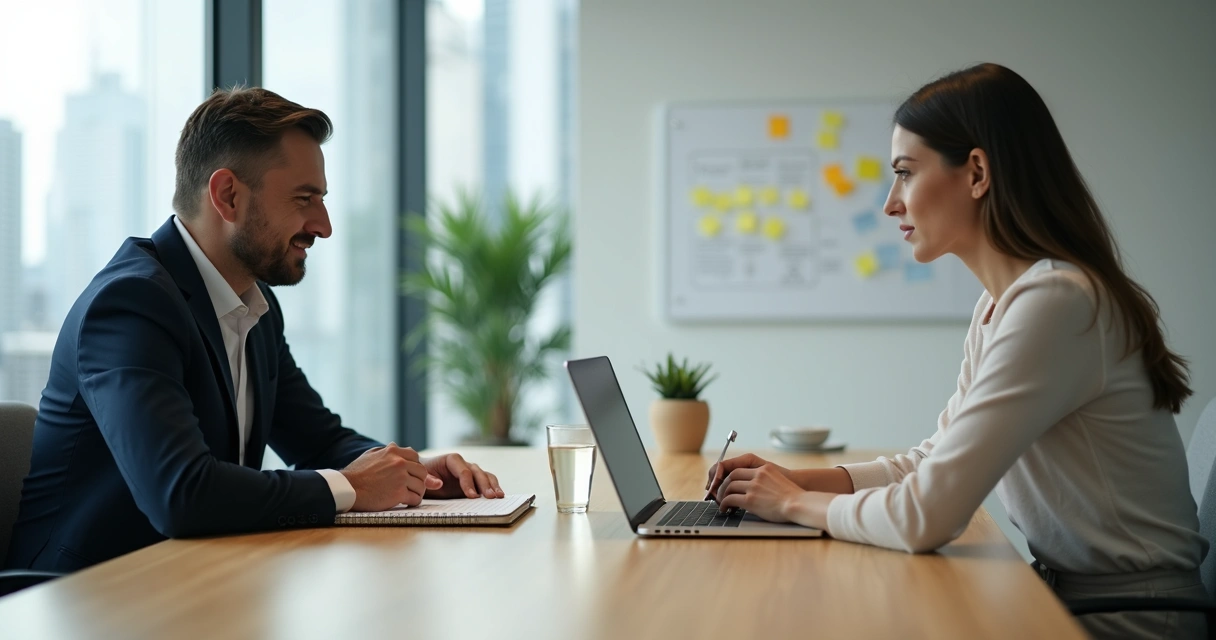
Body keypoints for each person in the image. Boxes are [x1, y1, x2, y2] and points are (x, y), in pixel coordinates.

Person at [705, 63, 1208, 639]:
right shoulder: (1002, 305)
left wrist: (792, 506)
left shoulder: (1056, 304)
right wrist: (794, 480)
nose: (890, 204)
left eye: (904, 174)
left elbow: (925, 516)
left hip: (1133, 624)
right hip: (1077, 607)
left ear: (976, 172)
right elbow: (928, 463)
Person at [5, 88, 504, 573]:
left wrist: (415, 474)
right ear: (227, 196)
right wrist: (350, 487)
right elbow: (181, 494)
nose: (324, 225)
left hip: (196, 583)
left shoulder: (252, 307)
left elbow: (320, 441)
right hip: (81, 602)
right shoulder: (131, 306)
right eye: (305, 198)